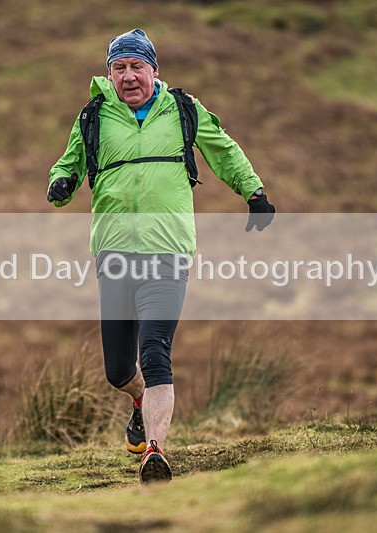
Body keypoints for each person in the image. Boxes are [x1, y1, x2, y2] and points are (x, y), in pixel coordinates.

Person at [47, 29, 275, 483]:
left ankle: (156, 451)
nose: (129, 76)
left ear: (155, 70)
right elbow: (69, 162)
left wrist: (254, 191)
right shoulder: (93, 116)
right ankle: (136, 402)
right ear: (108, 73)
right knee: (117, 369)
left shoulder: (184, 110)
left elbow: (222, 150)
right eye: (119, 67)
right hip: (113, 252)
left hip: (168, 250)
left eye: (137, 66)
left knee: (154, 351)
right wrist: (61, 182)